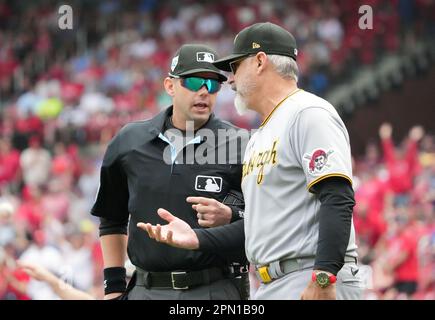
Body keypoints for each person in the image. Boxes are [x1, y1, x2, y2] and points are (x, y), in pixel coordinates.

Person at [142, 22, 363, 300]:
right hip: (272, 283)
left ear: (260, 62)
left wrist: (324, 276)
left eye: (235, 66)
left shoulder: (308, 113)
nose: (230, 80)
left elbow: (337, 198)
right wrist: (197, 237)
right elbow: (261, 226)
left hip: (309, 275)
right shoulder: (260, 135)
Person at [91, 44, 248, 300]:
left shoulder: (240, 144)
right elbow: (112, 218)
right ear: (170, 86)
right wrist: (113, 287)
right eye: (195, 81)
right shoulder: (129, 141)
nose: (204, 92)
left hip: (213, 288)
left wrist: (232, 214)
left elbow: (261, 219)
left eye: (213, 85)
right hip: (145, 289)